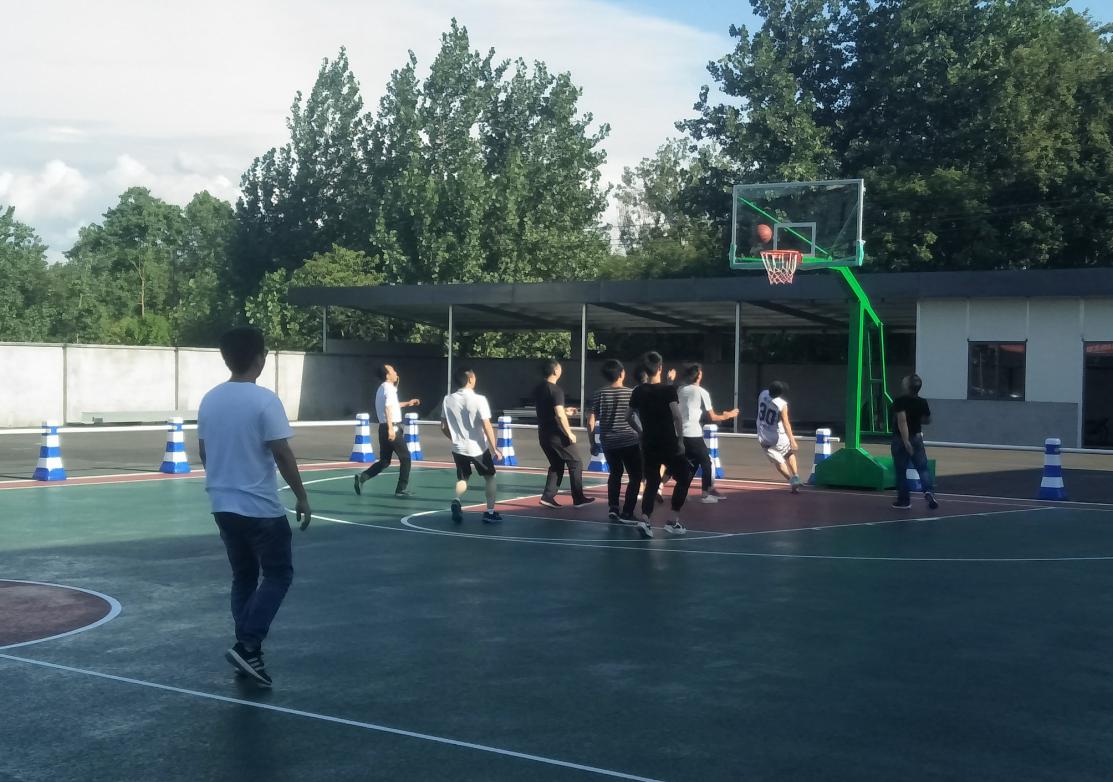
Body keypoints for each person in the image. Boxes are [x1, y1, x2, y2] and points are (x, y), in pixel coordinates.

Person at [198, 326, 311, 687]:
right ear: (260, 359)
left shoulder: (210, 399)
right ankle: (247, 644)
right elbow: (282, 452)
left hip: (222, 504)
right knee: (278, 575)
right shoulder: (265, 400)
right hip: (260, 507)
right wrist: (302, 496)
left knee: (244, 576)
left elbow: (204, 452)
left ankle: (249, 654)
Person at [628, 351, 693, 538]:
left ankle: (645, 519)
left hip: (649, 442)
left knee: (652, 482)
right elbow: (677, 416)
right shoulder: (668, 390)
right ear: (660, 368)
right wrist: (680, 440)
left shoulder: (638, 391)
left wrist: (640, 431)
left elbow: (628, 416)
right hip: (668, 441)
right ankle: (673, 520)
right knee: (684, 476)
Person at [440, 367, 503, 524]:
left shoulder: (447, 399)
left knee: (463, 477)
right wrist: (494, 448)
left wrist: (454, 438)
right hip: (478, 448)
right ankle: (490, 512)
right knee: (490, 477)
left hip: (458, 448)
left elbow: (443, 426)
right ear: (470, 379)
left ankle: (457, 499)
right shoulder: (479, 399)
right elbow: (487, 425)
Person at [533, 359, 595, 509]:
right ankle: (578, 498)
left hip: (544, 434)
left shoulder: (539, 388)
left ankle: (548, 496)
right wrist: (569, 433)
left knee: (556, 464)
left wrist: (565, 411)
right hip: (557, 434)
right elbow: (559, 415)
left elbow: (550, 410)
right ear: (555, 371)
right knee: (576, 462)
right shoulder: (556, 390)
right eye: (560, 368)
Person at [587, 359, 643, 522]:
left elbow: (590, 421)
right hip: (629, 439)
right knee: (635, 476)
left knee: (615, 473)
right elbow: (636, 416)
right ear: (621, 374)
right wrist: (641, 433)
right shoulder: (631, 393)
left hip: (608, 441)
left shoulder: (599, 394)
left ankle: (613, 507)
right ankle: (627, 511)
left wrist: (592, 443)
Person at [354, 364, 420, 498]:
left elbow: (392, 405)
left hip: (383, 428)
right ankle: (401, 489)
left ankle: (363, 477)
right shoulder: (389, 389)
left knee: (385, 461)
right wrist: (391, 428)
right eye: (393, 371)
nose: (395, 372)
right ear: (387, 375)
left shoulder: (382, 388)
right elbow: (388, 408)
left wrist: (408, 403)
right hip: (392, 427)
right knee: (406, 458)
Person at [677, 363, 739, 503]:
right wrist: (729, 415)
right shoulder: (701, 392)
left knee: (692, 463)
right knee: (707, 462)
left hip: (680, 433)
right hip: (693, 433)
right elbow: (713, 417)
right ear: (699, 375)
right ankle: (705, 494)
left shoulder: (681, 389)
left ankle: (682, 491)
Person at [891, 374, 939, 510]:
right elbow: (928, 420)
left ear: (907, 386)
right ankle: (928, 491)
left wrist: (906, 441)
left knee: (901, 470)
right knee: (922, 468)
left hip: (900, 439)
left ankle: (904, 500)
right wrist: (916, 419)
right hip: (917, 437)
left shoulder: (900, 401)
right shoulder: (922, 402)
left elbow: (902, 421)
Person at [756, 381, 802, 492]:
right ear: (780, 393)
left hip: (763, 435)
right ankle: (795, 475)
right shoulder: (782, 404)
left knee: (778, 462)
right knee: (788, 453)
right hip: (778, 434)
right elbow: (786, 423)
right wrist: (792, 440)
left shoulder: (762, 394)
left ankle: (792, 481)